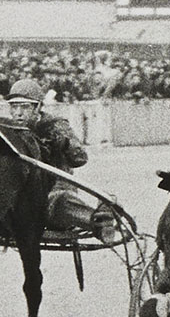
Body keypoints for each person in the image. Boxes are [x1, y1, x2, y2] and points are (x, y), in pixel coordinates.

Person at [5, 76, 102, 238]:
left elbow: (80, 158)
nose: (18, 113)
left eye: (25, 107)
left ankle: (98, 220)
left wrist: (63, 143)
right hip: (23, 197)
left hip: (55, 191)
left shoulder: (55, 126)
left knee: (59, 202)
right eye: (14, 107)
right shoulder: (10, 129)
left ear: (38, 108)